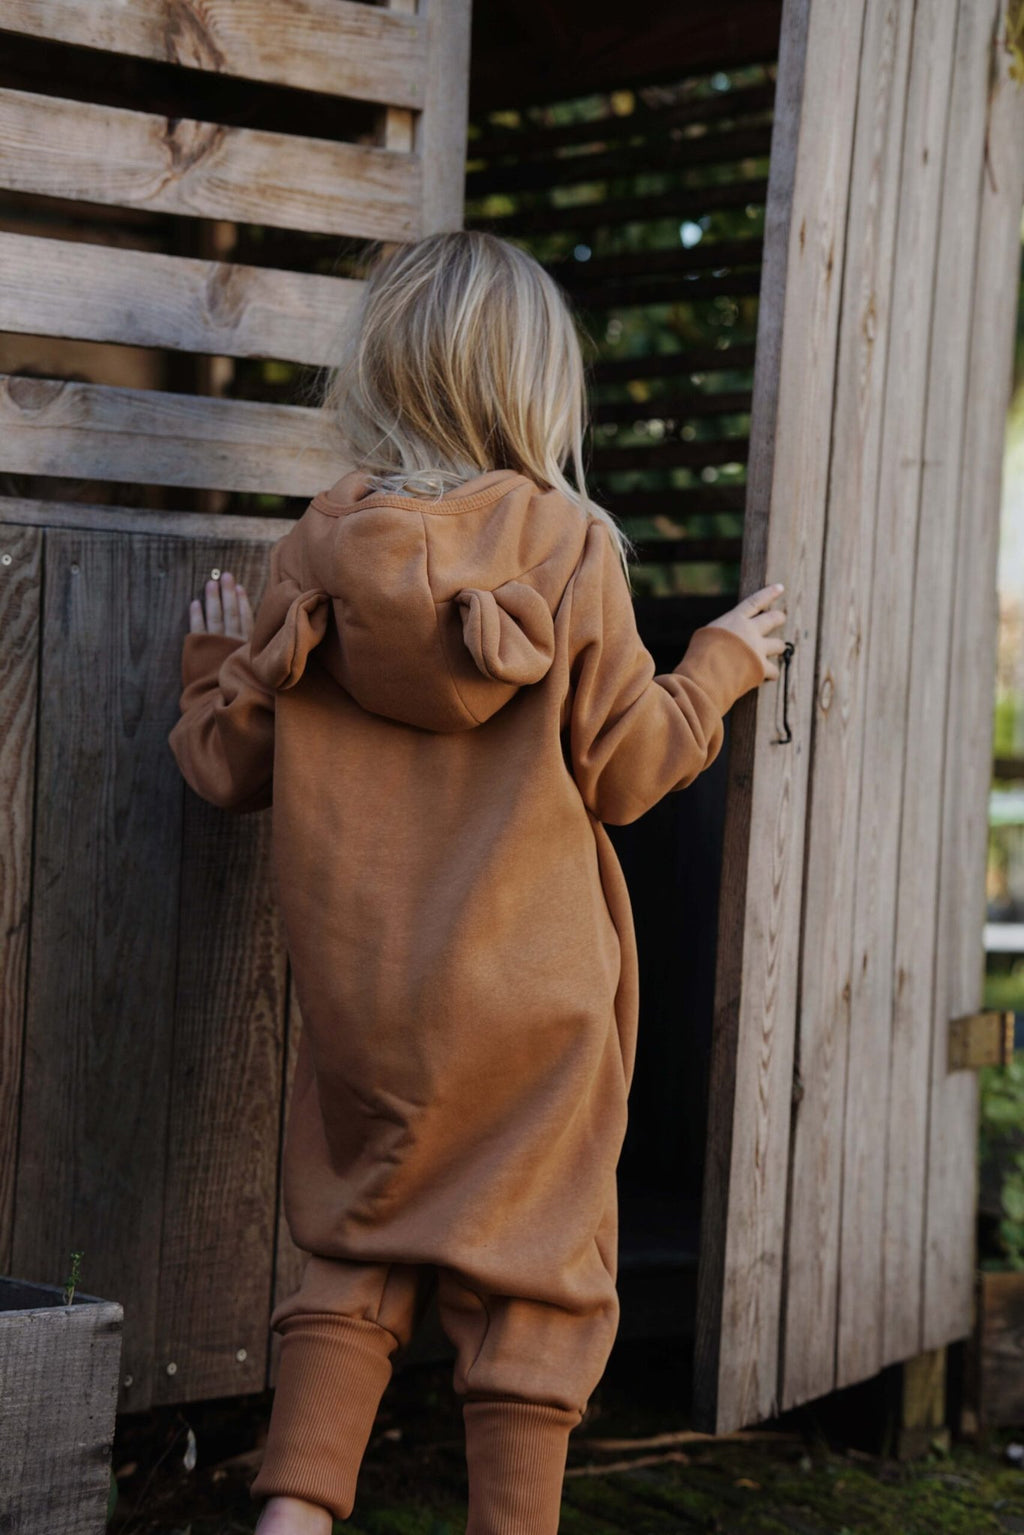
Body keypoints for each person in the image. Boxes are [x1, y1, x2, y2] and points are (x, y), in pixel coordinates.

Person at [168, 229, 787, 1535]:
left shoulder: (315, 551)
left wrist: (213, 659)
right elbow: (627, 774)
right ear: (530, 386)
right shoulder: (567, 547)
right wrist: (719, 662)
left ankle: (291, 1521)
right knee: (537, 1283)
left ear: (383, 374)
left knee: (353, 1250)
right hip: (536, 1011)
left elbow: (227, 766)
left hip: (366, 1012)